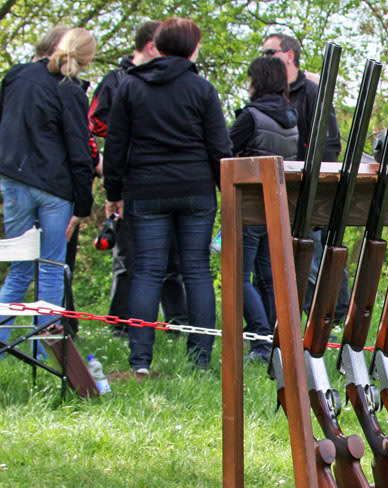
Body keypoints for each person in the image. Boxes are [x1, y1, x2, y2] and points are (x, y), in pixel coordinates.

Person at [103, 18, 232, 376]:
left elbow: (115, 145)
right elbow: (220, 148)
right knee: (197, 271)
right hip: (195, 190)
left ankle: (140, 362)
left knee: (146, 271)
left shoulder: (130, 86)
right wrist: (228, 194)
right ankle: (200, 361)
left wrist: (113, 192)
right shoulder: (202, 90)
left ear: (158, 46)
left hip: (145, 190)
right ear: (192, 49)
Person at [89, 20, 188, 338]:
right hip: (131, 178)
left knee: (172, 258)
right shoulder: (117, 80)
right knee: (128, 256)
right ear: (152, 46)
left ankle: (178, 323)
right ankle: (120, 326)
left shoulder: (172, 81)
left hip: (168, 179)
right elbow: (95, 121)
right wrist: (132, 129)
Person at [0, 28, 96, 351]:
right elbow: (80, 152)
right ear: (86, 59)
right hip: (55, 189)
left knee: (19, 268)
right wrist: (82, 206)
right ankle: (45, 354)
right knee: (51, 269)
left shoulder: (16, 76)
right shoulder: (71, 91)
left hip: (15, 179)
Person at [260, 33, 346, 321]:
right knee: (278, 261)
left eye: (270, 52)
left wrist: (318, 187)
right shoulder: (269, 93)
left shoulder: (312, 92)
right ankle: (287, 320)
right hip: (277, 186)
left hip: (310, 188)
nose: (264, 58)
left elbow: (330, 144)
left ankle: (327, 319)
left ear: (289, 56)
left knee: (314, 259)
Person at [229, 56, 299, 362]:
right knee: (269, 278)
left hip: (248, 205)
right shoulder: (292, 118)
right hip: (277, 206)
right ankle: (274, 343)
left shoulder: (250, 117)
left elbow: (224, 149)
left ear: (257, 81)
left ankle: (259, 341)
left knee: (239, 278)